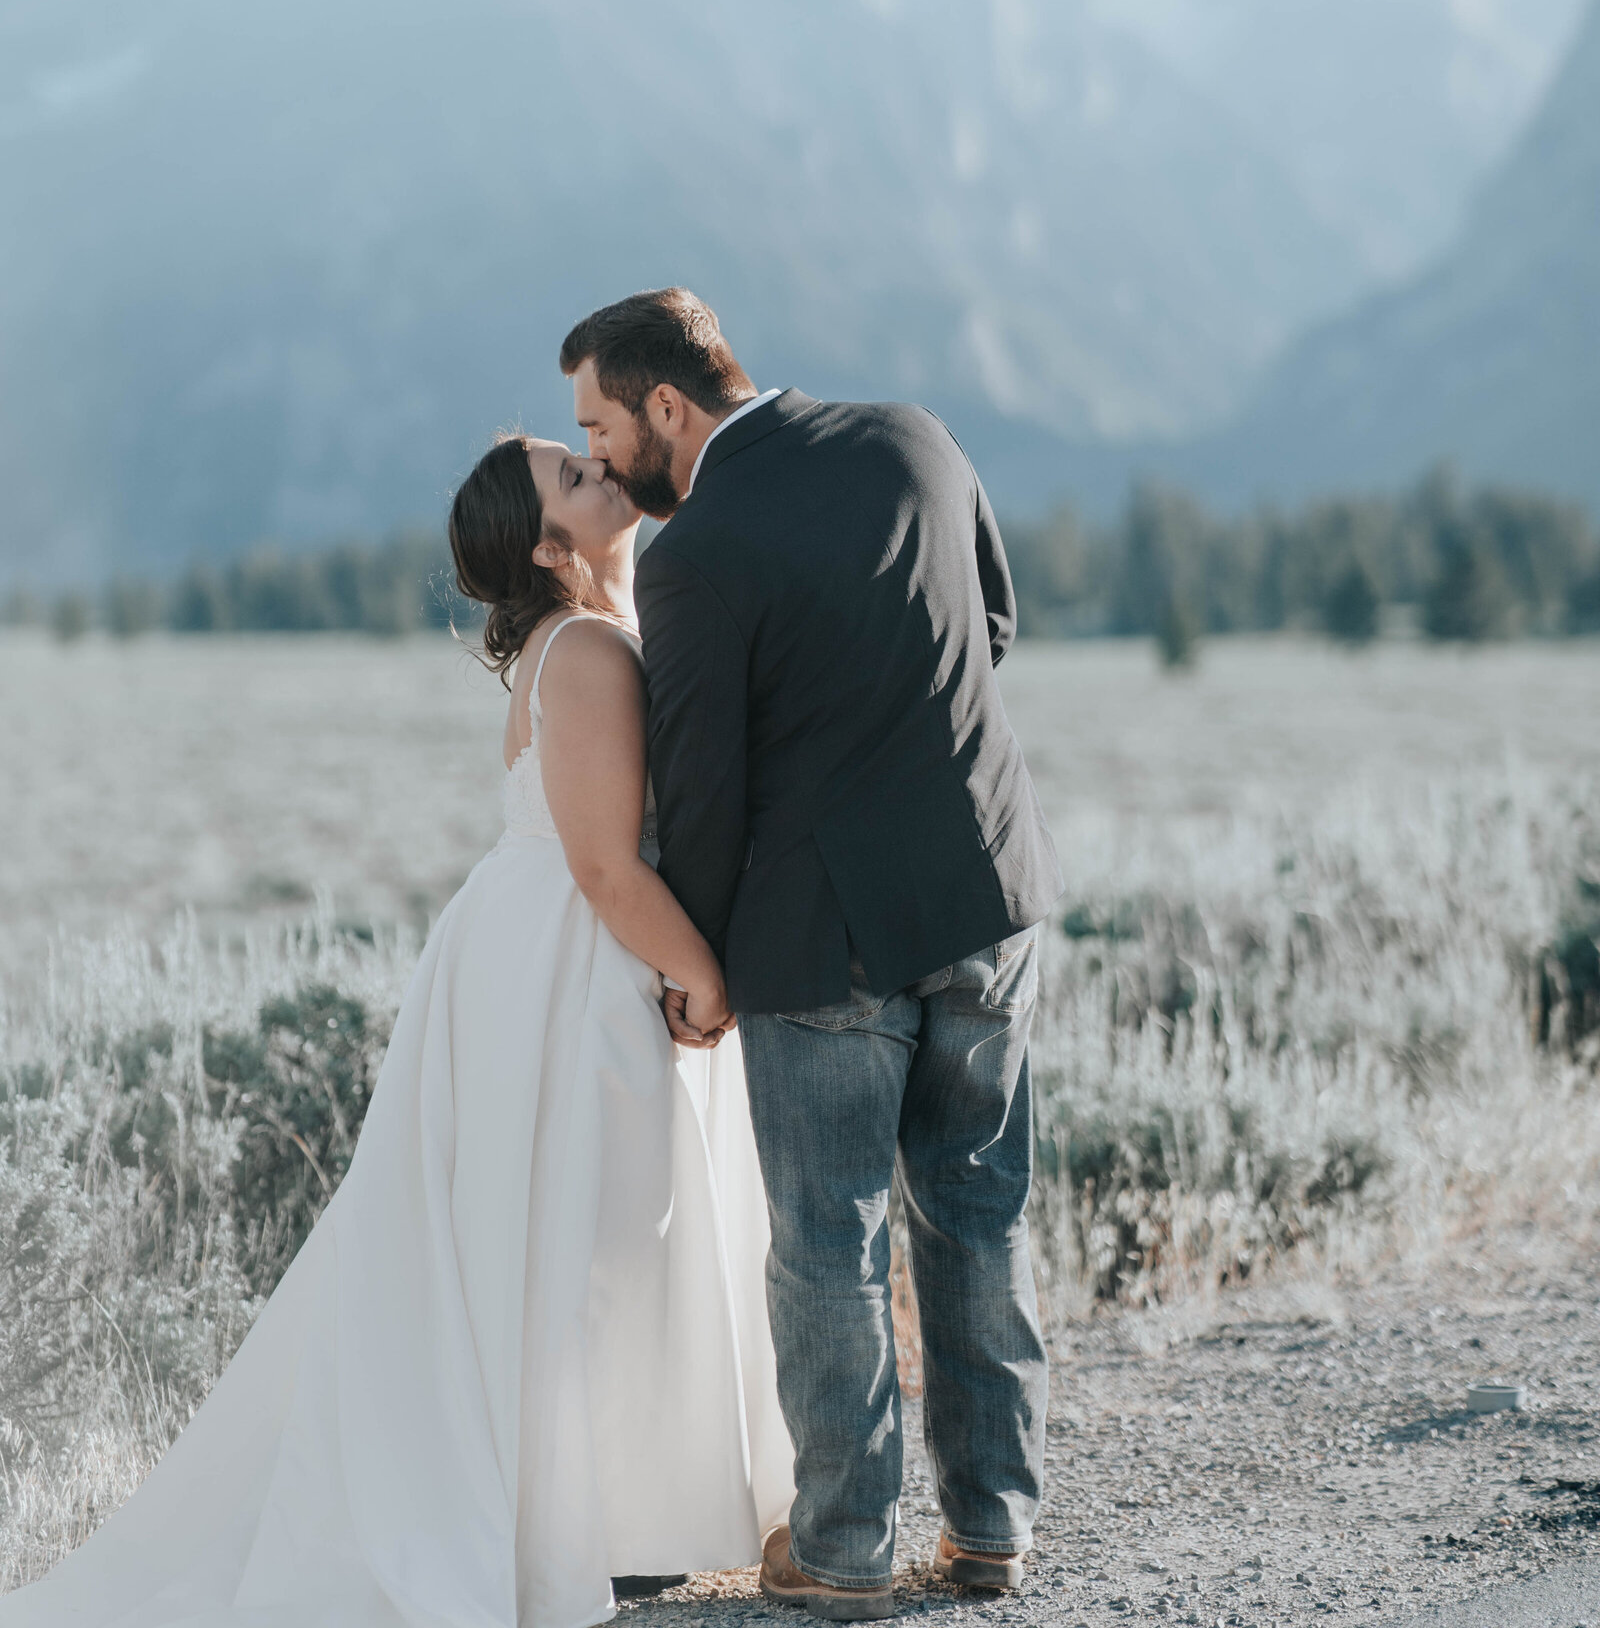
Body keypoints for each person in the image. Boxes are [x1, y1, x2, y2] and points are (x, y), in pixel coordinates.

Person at [3, 431, 791, 1628]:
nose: (599, 474)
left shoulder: (576, 639)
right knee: (588, 1230)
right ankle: (563, 1522)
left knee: (558, 1232)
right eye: (571, 479)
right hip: (566, 962)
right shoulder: (583, 651)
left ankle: (594, 1513)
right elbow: (601, 864)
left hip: (530, 951)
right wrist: (706, 977)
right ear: (545, 545)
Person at [561, 287, 1065, 1623]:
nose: (600, 456)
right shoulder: (917, 439)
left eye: (599, 425)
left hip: (820, 943)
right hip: (983, 895)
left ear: (667, 406)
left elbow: (706, 791)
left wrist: (698, 968)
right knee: (979, 1214)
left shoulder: (695, 552)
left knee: (828, 1242)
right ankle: (990, 1533)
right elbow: (992, 632)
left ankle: (842, 1550)